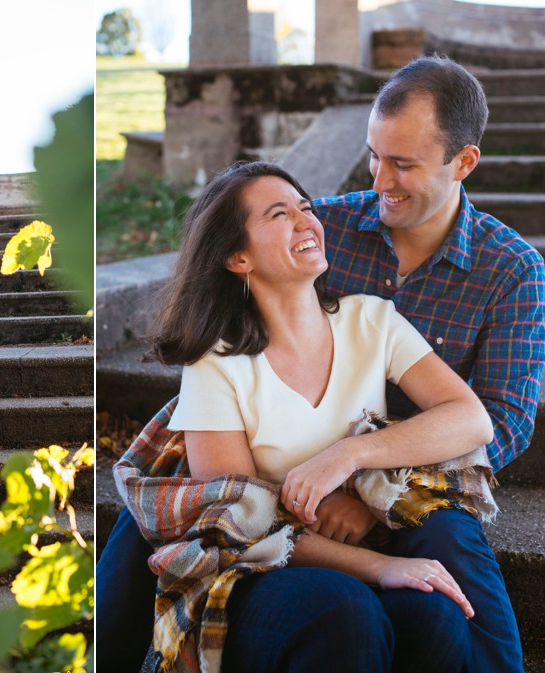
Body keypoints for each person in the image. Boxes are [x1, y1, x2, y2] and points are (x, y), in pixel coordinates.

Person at [97, 55, 544, 673]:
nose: (381, 179)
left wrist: (364, 473)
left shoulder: (510, 270)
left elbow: (503, 420)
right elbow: (237, 304)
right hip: (274, 458)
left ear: (463, 163)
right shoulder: (323, 225)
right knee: (147, 513)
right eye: (373, 155)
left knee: (448, 566)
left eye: (404, 164)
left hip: (422, 476)